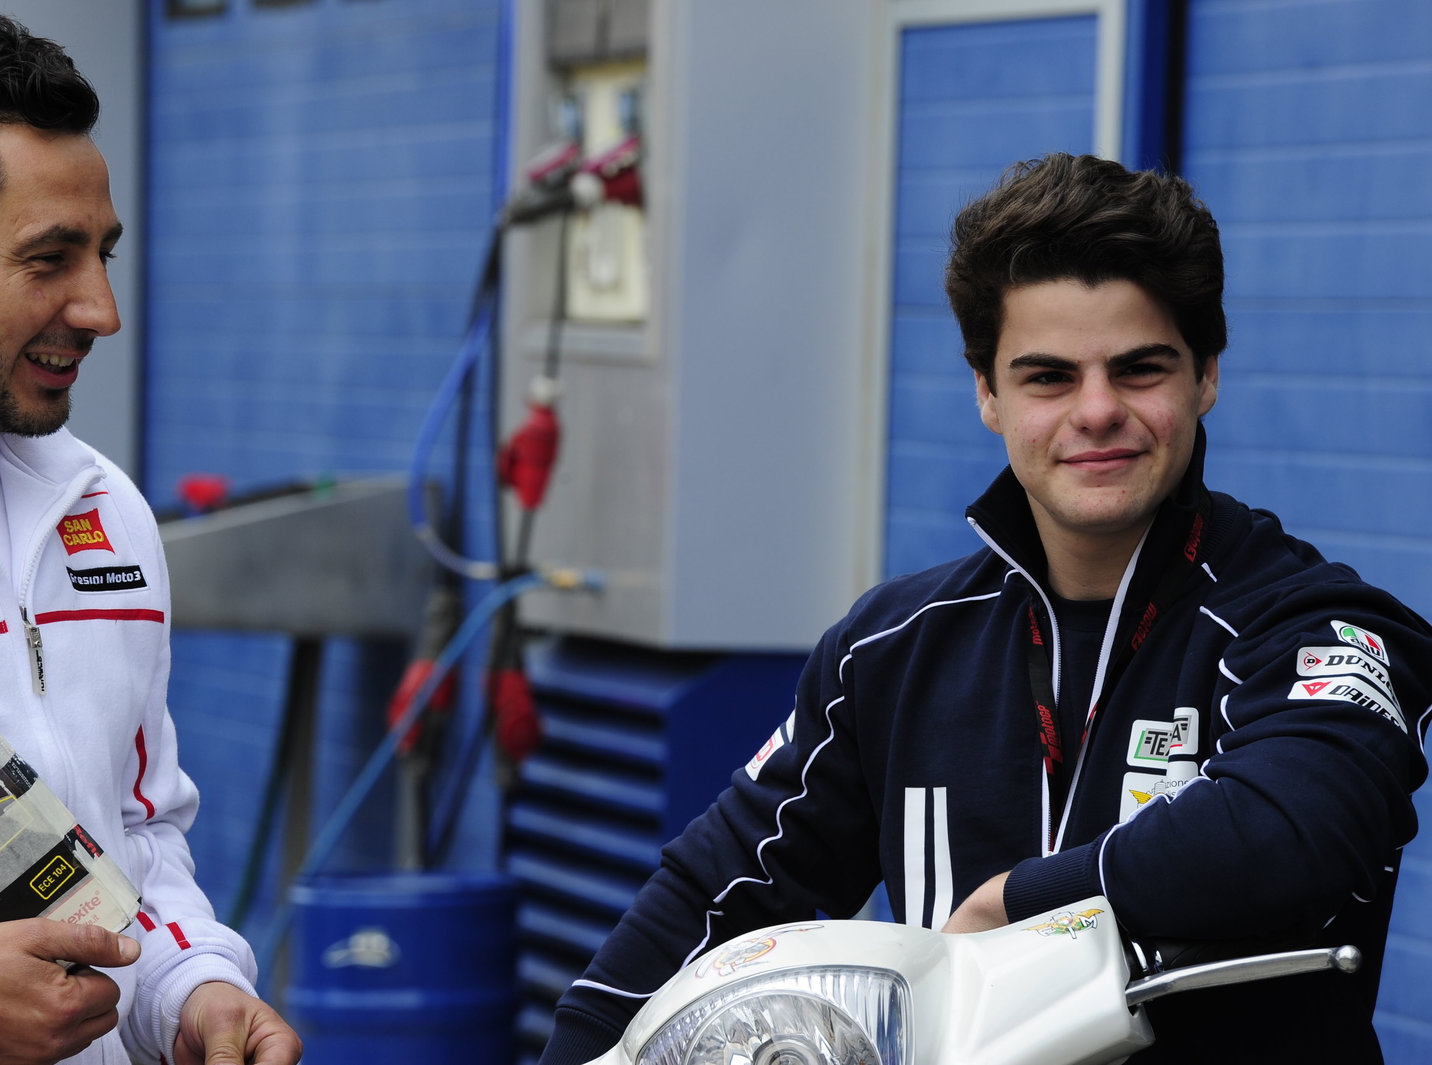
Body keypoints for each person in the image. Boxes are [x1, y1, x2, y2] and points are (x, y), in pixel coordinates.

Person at [538, 153, 1432, 1064]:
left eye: (1139, 369)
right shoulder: (890, 652)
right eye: (1047, 376)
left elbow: (1294, 825)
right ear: (986, 395)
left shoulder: (1313, 625)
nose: (1096, 411)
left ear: (1205, 375)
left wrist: (1016, 902)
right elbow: (712, 891)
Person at [0, 7, 301, 1064]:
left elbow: (136, 836)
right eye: (50, 260)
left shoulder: (103, 514)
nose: (99, 309)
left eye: (104, 256)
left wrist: (193, 987)